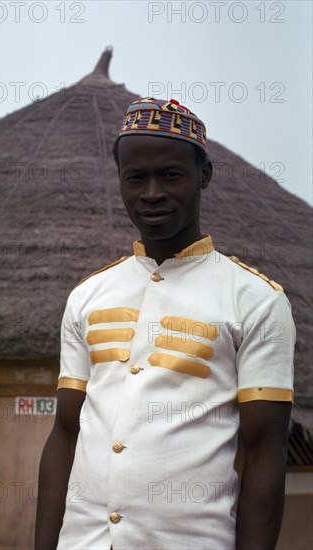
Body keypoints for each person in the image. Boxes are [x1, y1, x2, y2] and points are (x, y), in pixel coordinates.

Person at [35, 98, 295, 550]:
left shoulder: (256, 301)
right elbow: (65, 432)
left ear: (204, 175)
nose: (151, 193)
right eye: (136, 178)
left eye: (170, 175)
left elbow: (266, 452)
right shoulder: (87, 296)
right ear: (120, 182)